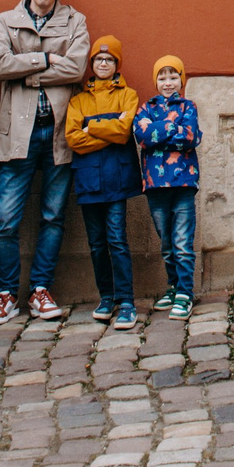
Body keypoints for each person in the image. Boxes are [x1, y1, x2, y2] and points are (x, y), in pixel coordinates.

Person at [0, 0, 89, 325]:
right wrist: (47, 58)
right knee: (6, 219)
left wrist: (27, 70)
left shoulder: (75, 21)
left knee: (53, 216)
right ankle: (6, 293)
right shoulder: (5, 21)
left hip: (59, 131)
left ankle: (41, 289)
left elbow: (77, 67)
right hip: (17, 133)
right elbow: (0, 65)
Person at [64, 34, 142, 330]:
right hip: (88, 179)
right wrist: (106, 131)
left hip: (117, 178)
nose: (104, 63)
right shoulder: (78, 100)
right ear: (92, 63)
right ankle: (106, 296)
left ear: (117, 63)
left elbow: (124, 132)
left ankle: (126, 301)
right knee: (96, 244)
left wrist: (91, 126)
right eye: (99, 59)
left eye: (109, 59)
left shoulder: (128, 95)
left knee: (117, 240)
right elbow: (73, 138)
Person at [131, 54, 202, 320]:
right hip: (155, 184)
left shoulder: (188, 107)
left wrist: (160, 130)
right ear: (156, 81)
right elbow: (142, 136)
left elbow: (191, 135)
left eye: (173, 77)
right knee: (166, 241)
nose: (168, 82)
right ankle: (173, 286)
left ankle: (185, 292)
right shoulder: (145, 107)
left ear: (181, 80)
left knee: (182, 241)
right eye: (162, 77)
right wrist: (173, 129)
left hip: (183, 182)